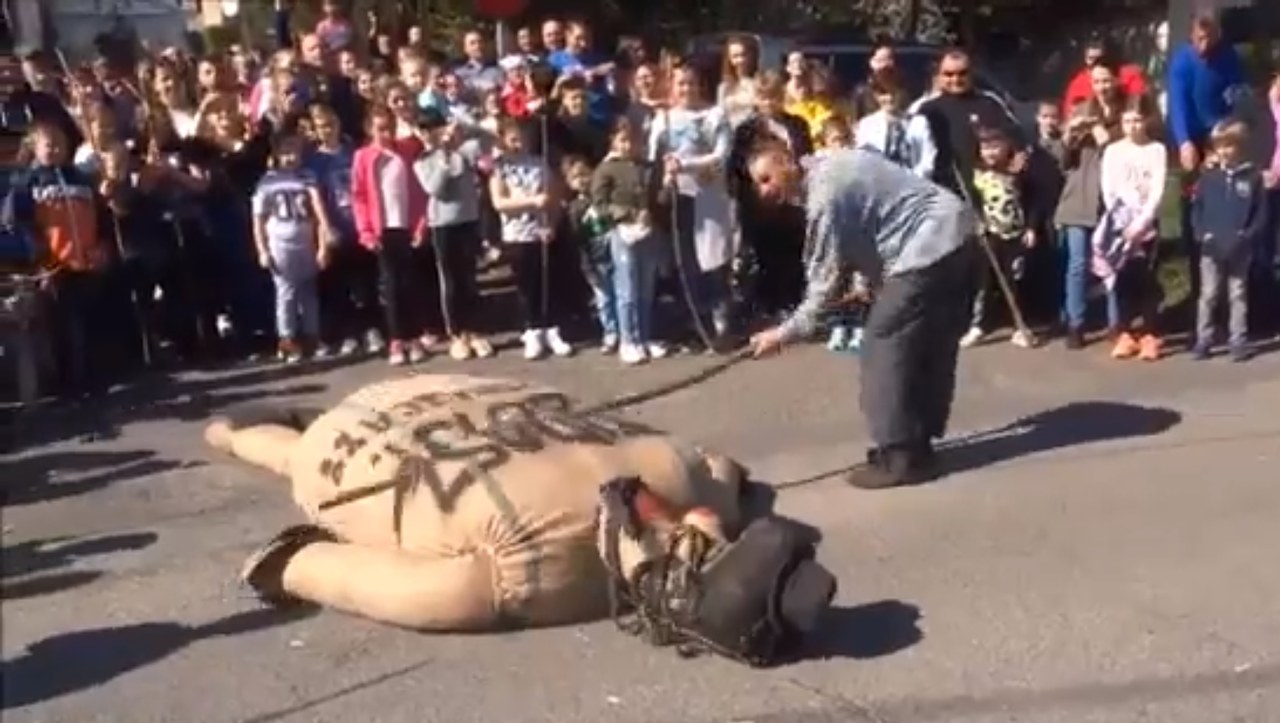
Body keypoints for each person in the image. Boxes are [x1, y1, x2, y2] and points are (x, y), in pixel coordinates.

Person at [747, 141, 976, 489]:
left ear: (787, 162)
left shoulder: (825, 196)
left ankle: (899, 454)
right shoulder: (829, 162)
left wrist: (782, 334)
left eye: (766, 178)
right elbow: (870, 218)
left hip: (928, 245)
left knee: (884, 340)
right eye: (757, 184)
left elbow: (823, 287)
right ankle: (917, 442)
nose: (763, 191)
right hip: (956, 233)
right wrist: (867, 278)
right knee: (926, 343)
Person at [489, 117, 574, 360]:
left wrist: (553, 224)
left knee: (547, 282)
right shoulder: (500, 168)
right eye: (513, 139)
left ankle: (551, 328)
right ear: (504, 140)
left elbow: (554, 198)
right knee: (526, 285)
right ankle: (532, 329)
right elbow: (500, 203)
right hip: (517, 235)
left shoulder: (540, 164)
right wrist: (531, 202)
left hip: (541, 232)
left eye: (522, 139)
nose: (519, 144)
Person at [350, 104, 428, 366]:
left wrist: (420, 225)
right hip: (383, 230)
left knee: (411, 284)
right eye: (381, 129)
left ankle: (414, 336)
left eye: (391, 128)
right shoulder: (363, 157)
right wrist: (367, 232)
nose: (387, 134)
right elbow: (359, 197)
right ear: (370, 130)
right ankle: (397, 338)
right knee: (391, 286)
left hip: (405, 226)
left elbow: (419, 190)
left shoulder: (405, 151)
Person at [591, 117, 668, 364]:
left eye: (633, 141)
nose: (628, 146)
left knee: (646, 288)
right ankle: (628, 339)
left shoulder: (647, 166)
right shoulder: (607, 168)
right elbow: (600, 205)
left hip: (648, 231)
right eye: (623, 140)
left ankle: (645, 336)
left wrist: (668, 182)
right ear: (613, 140)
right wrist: (628, 213)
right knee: (627, 289)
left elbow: (659, 198)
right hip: (622, 233)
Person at [1095, 96, 1166, 362]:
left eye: (1137, 120)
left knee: (1146, 280)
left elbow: (1157, 190)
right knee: (1122, 280)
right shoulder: (1114, 151)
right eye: (1127, 121)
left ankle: (1150, 334)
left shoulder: (1156, 150)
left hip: (1146, 226)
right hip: (1119, 225)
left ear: (1147, 120)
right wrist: (1122, 221)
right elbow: (1108, 189)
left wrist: (1142, 222)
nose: (1132, 126)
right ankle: (1125, 333)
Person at [252, 133, 333, 364]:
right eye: (285, 152)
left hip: (305, 239)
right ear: (276, 154)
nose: (291, 157)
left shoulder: (307, 176)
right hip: (280, 242)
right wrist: (262, 250)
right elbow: (258, 219)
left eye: (295, 152)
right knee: (286, 292)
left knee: (308, 291)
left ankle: (312, 336)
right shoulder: (268, 181)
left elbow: (317, 211)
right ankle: (287, 339)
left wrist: (323, 243)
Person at [1191, 119, 1266, 362]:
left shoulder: (1252, 177)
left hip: (1240, 246)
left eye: (1229, 146)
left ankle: (1238, 341)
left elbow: (1261, 213)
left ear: (1240, 147)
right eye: (1219, 146)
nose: (1224, 151)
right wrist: (1202, 233)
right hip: (1212, 246)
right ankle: (1204, 339)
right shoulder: (1208, 178)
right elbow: (1197, 209)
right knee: (1209, 294)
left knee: (1238, 293)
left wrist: (1248, 234)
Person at [962, 125, 1038, 350]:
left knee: (1014, 281)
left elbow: (1032, 202)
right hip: (989, 235)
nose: (992, 152)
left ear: (1007, 148)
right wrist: (976, 223)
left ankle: (1019, 326)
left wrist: (1031, 228)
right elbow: (972, 203)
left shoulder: (1017, 173)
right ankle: (979, 325)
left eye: (996, 147)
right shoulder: (976, 175)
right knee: (984, 283)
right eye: (986, 148)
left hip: (1015, 234)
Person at [1060, 39, 1148, 116]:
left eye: (1098, 58)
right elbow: (1069, 114)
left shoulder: (1130, 75)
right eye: (1091, 58)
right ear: (1085, 59)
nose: (1095, 62)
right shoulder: (1076, 84)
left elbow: (1138, 104)